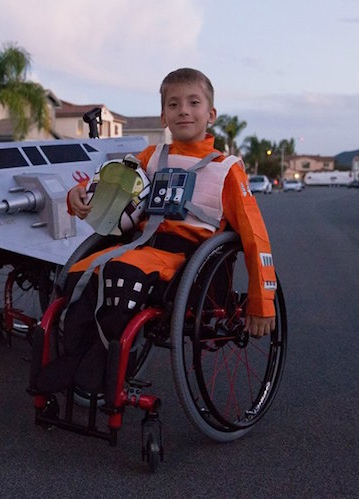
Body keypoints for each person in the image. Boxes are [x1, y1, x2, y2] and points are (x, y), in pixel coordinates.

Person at [36, 68, 276, 394]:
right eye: (174, 105)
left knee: (121, 273)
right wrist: (75, 194)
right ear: (164, 116)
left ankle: (100, 364)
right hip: (145, 244)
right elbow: (112, 181)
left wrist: (262, 304)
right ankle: (78, 355)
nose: (184, 111)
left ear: (211, 114)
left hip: (192, 257)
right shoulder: (152, 157)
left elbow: (255, 235)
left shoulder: (226, 169)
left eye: (194, 103)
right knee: (80, 270)